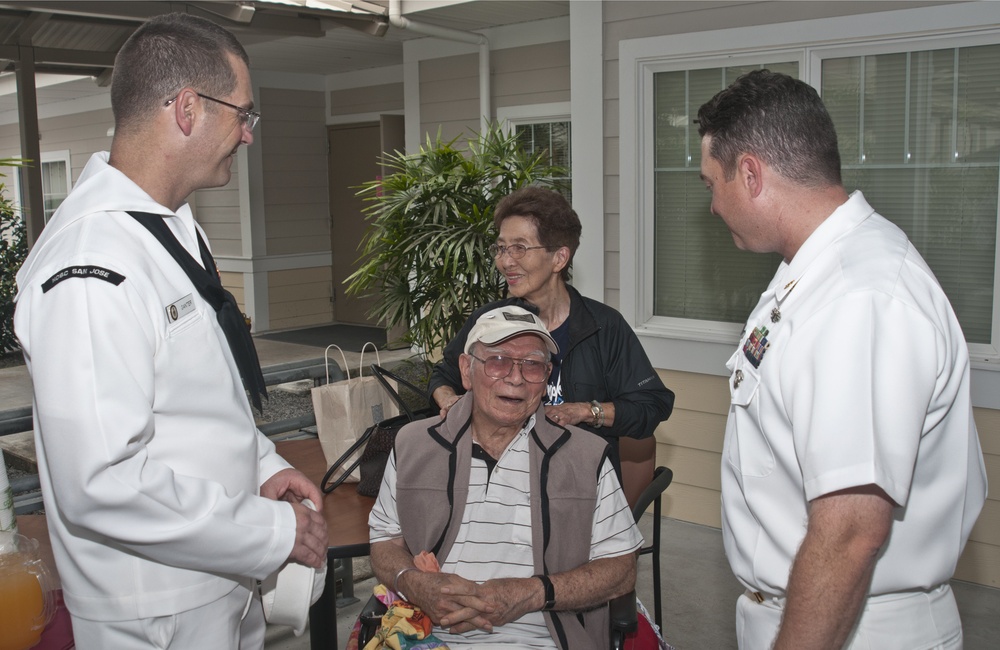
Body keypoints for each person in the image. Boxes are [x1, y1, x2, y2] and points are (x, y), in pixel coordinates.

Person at [13, 13, 328, 649]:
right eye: (243, 114)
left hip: (216, 579)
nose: (246, 135)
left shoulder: (171, 228)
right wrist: (270, 532)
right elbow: (101, 483)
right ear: (187, 108)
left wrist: (260, 464)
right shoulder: (92, 266)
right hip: (155, 610)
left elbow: (194, 396)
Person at [698, 69, 988, 649]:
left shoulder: (860, 298)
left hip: (854, 629)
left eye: (712, 183)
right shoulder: (816, 274)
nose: (711, 205)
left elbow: (852, 531)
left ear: (751, 174)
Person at [369, 305, 643, 649]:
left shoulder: (585, 457)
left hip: (543, 639)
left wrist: (531, 593)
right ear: (467, 371)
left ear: (545, 380)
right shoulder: (414, 445)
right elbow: (385, 541)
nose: (516, 378)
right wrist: (412, 582)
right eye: (498, 360)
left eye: (533, 365)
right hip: (426, 636)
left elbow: (622, 569)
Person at [428, 186, 674, 473]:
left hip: (579, 480)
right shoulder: (490, 320)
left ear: (559, 258)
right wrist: (449, 400)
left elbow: (652, 406)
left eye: (520, 247)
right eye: (502, 247)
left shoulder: (603, 327)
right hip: (500, 477)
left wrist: (585, 411)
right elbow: (444, 374)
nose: (505, 261)